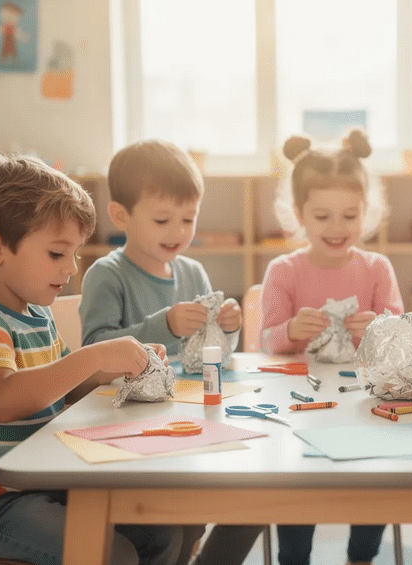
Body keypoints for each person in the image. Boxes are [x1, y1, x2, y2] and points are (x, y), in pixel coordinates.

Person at [0, 152, 184, 565]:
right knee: (111, 553)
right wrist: (96, 353)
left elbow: (71, 384)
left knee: (161, 529)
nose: (71, 269)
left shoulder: (36, 314)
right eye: (56, 254)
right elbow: (5, 401)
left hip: (41, 481)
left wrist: (119, 363)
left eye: (75, 253)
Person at [80, 139, 259, 565]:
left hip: (188, 417)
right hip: (126, 427)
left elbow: (205, 354)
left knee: (254, 501)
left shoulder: (192, 270)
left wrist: (227, 331)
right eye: (162, 219)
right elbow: (93, 354)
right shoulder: (107, 275)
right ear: (121, 215)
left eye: (188, 218)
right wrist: (164, 323)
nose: (178, 231)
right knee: (172, 525)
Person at [260, 129, 401, 565]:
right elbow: (263, 342)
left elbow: (400, 335)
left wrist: (379, 326)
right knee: (298, 483)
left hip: (365, 402)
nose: (337, 229)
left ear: (367, 212)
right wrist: (290, 330)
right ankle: (294, 558)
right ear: (299, 213)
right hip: (301, 403)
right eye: (322, 216)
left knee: (373, 481)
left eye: (349, 215)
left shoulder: (377, 267)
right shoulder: (283, 271)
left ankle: (362, 557)